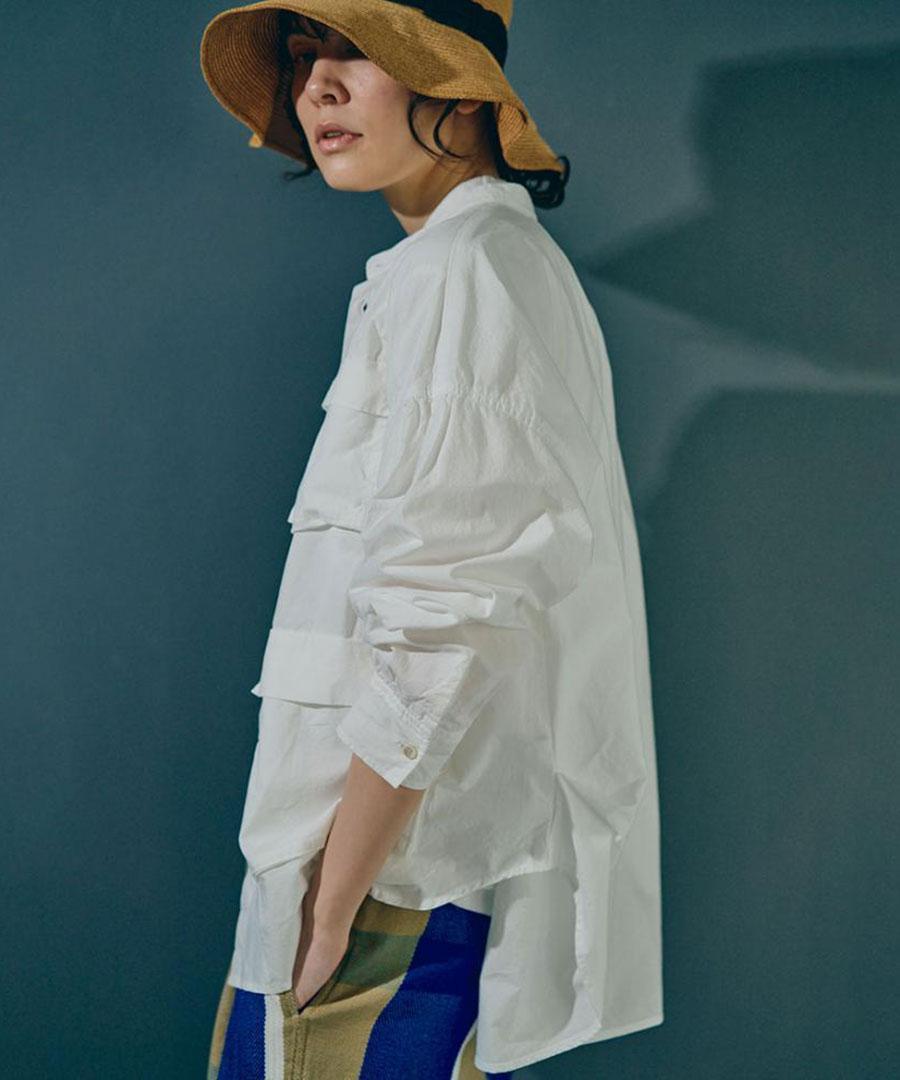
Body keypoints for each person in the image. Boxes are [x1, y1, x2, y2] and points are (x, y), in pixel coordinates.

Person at [199, 3, 663, 1077]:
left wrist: (330, 904)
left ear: (459, 90)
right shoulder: (448, 268)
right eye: (305, 57)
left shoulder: (471, 271)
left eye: (356, 53)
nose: (316, 87)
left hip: (378, 889)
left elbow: (445, 616)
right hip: (363, 874)